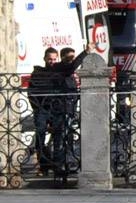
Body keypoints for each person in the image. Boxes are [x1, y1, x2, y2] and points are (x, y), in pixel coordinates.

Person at [28, 44, 92, 178]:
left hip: (57, 109)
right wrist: (37, 108)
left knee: (59, 136)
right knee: (40, 135)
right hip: (42, 109)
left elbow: (71, 67)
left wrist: (85, 52)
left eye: (54, 59)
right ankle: (44, 165)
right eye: (49, 59)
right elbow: (31, 92)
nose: (52, 62)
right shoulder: (38, 72)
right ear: (45, 58)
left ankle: (58, 165)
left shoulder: (59, 69)